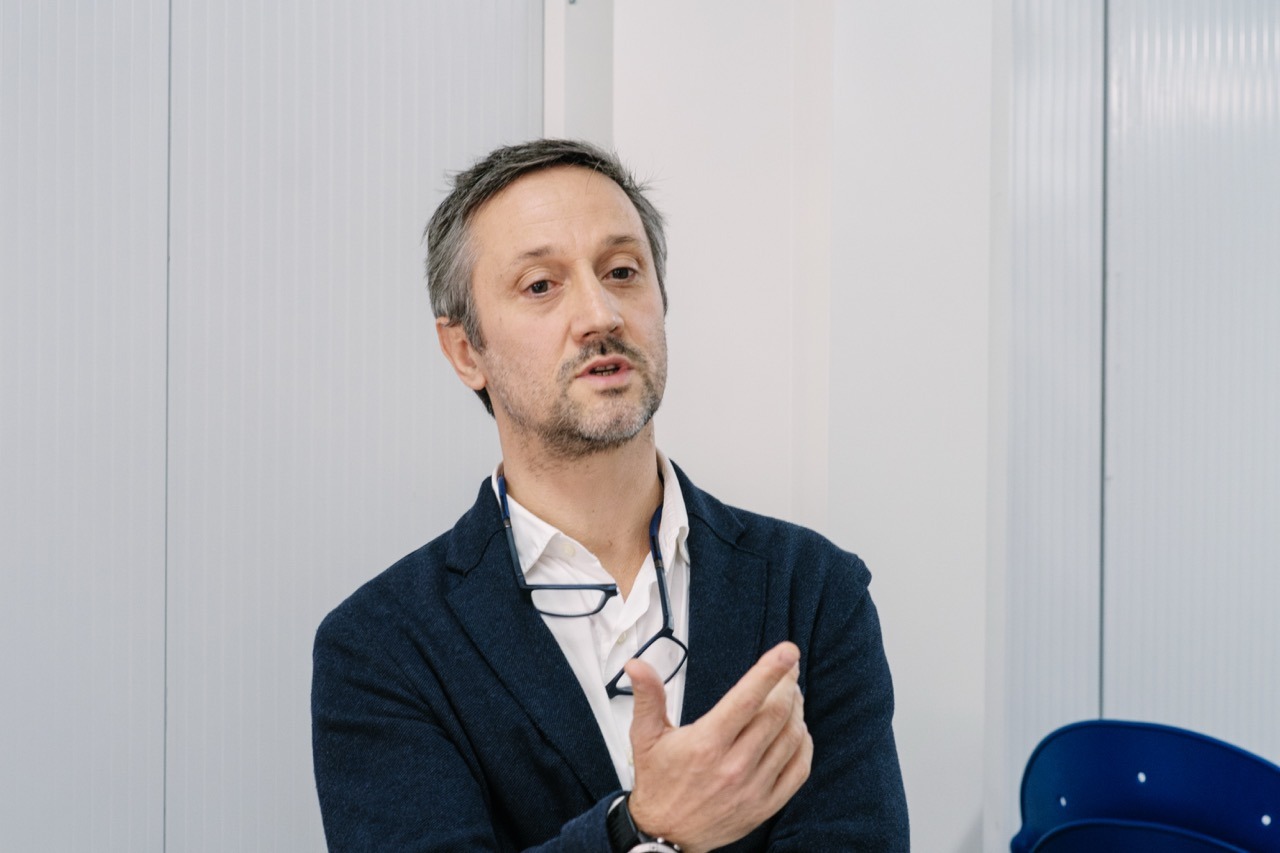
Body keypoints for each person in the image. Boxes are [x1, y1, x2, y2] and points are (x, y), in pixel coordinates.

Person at [311, 139, 909, 852]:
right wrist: (640, 827)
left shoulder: (812, 591)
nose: (600, 314)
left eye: (622, 271)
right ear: (465, 350)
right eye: (541, 285)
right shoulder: (382, 646)